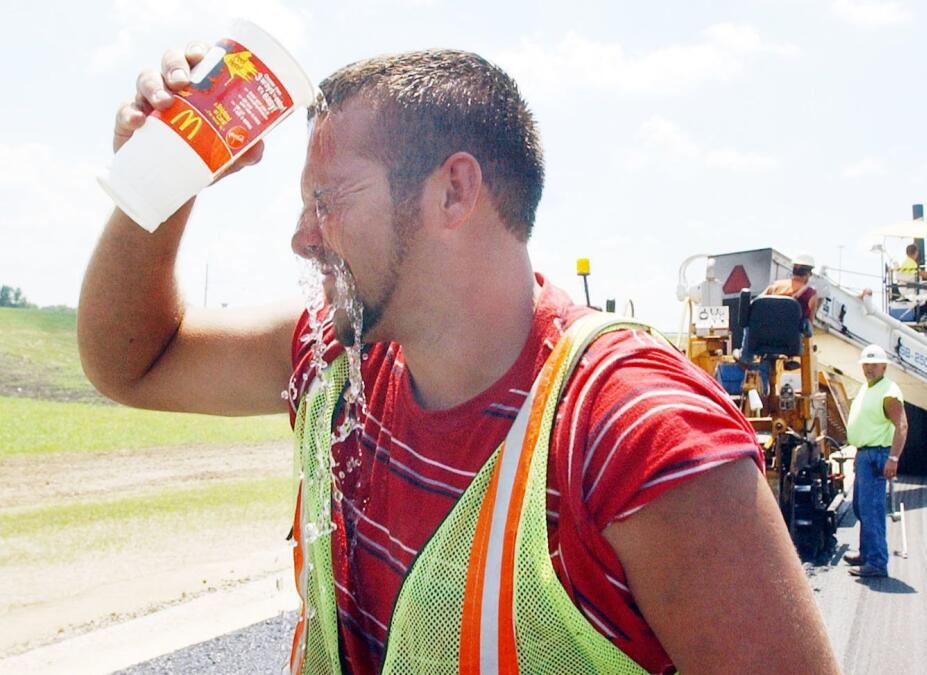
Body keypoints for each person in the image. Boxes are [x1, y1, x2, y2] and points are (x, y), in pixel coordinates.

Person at [79, 44, 839, 673]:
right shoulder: (338, 360)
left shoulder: (634, 433)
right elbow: (135, 361)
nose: (302, 238)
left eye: (326, 200)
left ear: (453, 191)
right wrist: (163, 184)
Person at [843, 344, 908, 578]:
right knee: (861, 507)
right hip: (864, 454)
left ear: (884, 366)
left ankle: (877, 562)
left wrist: (893, 458)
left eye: (874, 364)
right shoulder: (867, 388)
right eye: (866, 364)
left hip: (877, 455)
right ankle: (866, 552)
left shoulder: (889, 391)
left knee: (872, 509)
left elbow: (901, 425)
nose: (869, 368)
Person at [762, 253, 823, 320]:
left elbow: (756, 303)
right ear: (808, 274)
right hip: (792, 330)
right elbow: (810, 322)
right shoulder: (811, 294)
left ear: (793, 271)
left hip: (765, 328)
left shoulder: (775, 286)